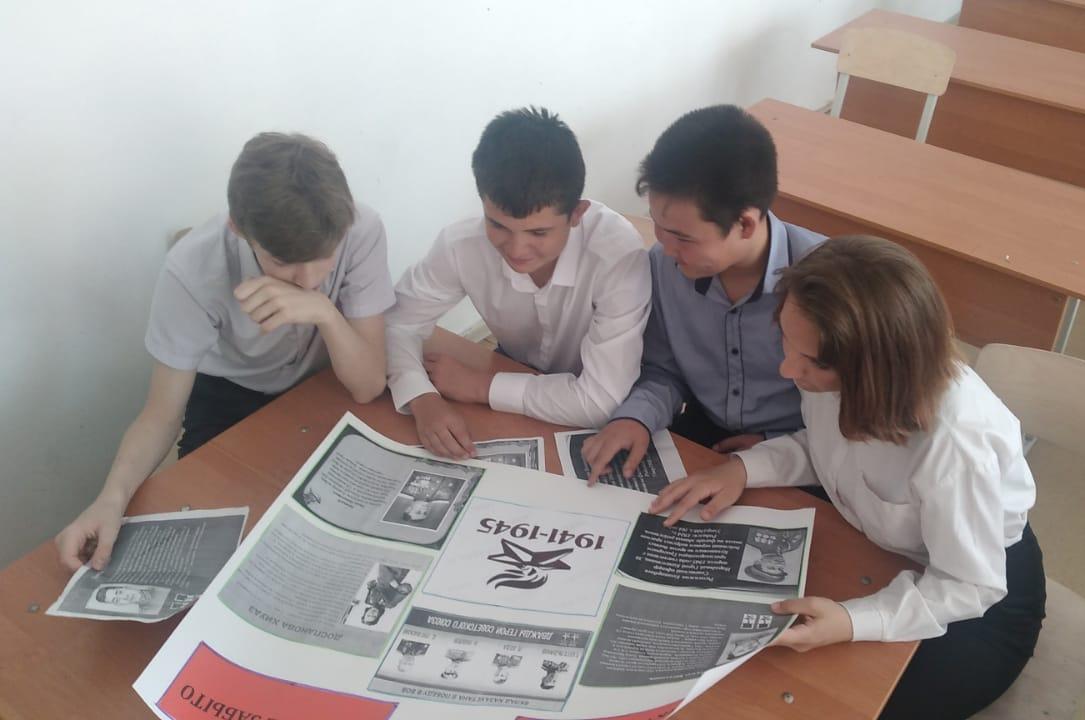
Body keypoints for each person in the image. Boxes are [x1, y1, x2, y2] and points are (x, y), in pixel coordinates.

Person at [650, 236, 1045, 719]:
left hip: (974, 594)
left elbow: (969, 586)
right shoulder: (838, 372)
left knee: (826, 702)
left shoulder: (957, 445)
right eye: (786, 341)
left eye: (813, 362)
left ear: (875, 370)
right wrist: (744, 468)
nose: (787, 369)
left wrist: (852, 620)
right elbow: (827, 448)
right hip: (882, 548)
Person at [56, 133, 394, 572]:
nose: (309, 280)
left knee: (353, 519)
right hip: (228, 393)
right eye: (283, 262)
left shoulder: (360, 229)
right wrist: (110, 499)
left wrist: (325, 314)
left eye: (324, 256)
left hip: (323, 377)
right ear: (238, 229)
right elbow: (161, 416)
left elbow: (367, 386)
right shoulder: (192, 269)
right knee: (219, 529)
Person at [386, 107, 651, 458]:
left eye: (538, 232)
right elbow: (396, 323)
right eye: (497, 225)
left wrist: (481, 386)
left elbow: (600, 401)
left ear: (577, 214)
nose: (516, 249)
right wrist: (421, 397)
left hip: (613, 406)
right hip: (517, 375)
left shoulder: (617, 255)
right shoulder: (461, 245)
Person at [581, 105, 824, 484]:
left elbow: (850, 408)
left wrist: (774, 443)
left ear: (745, 224)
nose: (666, 248)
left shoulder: (828, 281)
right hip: (703, 429)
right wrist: (635, 417)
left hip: (806, 447)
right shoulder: (665, 265)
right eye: (658, 226)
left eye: (683, 237)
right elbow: (662, 369)